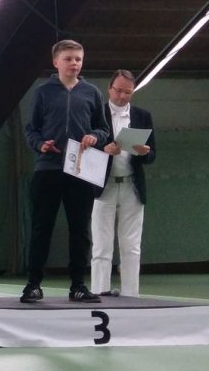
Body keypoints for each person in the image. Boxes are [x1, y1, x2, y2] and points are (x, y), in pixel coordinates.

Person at [21, 39, 109, 303]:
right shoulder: (43, 92)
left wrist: (94, 136)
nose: (74, 63)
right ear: (56, 62)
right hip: (48, 169)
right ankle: (33, 284)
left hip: (81, 171)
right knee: (41, 227)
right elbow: (31, 129)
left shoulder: (92, 93)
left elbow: (103, 128)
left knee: (80, 229)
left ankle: (78, 285)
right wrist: (41, 144)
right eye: (69, 58)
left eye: (78, 59)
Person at [91, 70, 155, 297]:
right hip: (103, 186)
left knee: (131, 246)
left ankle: (131, 295)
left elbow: (152, 155)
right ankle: (100, 292)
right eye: (118, 90)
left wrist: (144, 152)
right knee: (102, 245)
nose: (122, 96)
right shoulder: (95, 114)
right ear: (109, 88)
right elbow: (84, 149)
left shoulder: (142, 116)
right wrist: (103, 150)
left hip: (131, 186)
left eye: (128, 92)